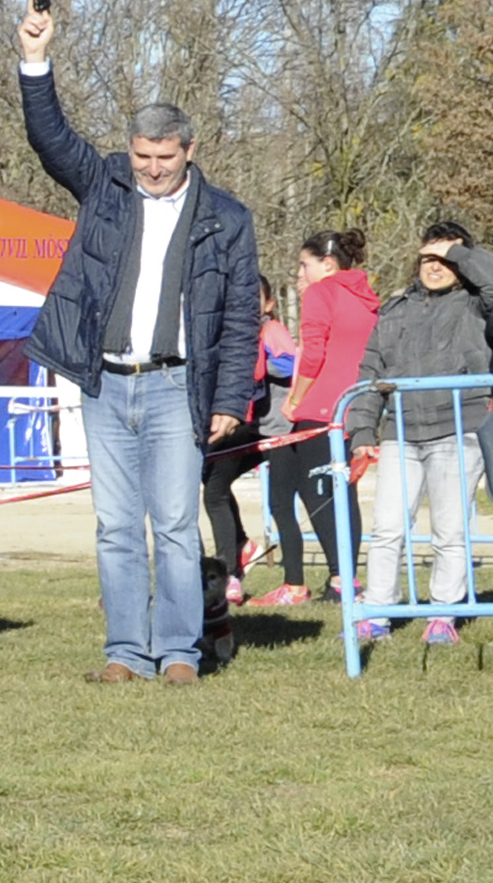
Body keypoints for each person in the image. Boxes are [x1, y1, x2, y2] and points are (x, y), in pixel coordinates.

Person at [17, 4, 259, 685]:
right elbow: (48, 137)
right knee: (116, 528)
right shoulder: (104, 187)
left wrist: (229, 397)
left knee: (177, 527)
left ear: (189, 151)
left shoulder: (228, 219)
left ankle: (180, 653)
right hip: (106, 383)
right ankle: (125, 653)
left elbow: (240, 316)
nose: (151, 169)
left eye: (164, 158)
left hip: (178, 387)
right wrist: (36, 59)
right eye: (141, 157)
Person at [342, 225, 493, 646]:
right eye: (429, 258)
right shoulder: (395, 309)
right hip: (400, 432)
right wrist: (362, 431)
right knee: (388, 528)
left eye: (447, 260)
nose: (436, 267)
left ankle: (444, 613)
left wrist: (461, 253)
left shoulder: (478, 304)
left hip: (458, 429)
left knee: (450, 530)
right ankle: (377, 612)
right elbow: (370, 372)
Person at [254, 231, 377, 606]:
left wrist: (295, 398)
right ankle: (337, 578)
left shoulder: (321, 293)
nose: (299, 273)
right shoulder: (368, 298)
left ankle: (342, 580)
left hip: (321, 408)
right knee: (342, 493)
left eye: (304, 264)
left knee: (318, 493)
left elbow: (314, 354)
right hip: (356, 406)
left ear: (327, 264)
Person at [208, 278, 294, 605]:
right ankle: (242, 545)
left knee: (215, 490)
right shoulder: (232, 331)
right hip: (237, 418)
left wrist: (259, 363)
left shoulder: (269, 329)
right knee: (211, 479)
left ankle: (231, 572)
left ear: (268, 304)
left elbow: (293, 363)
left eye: (253, 298)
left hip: (259, 425)